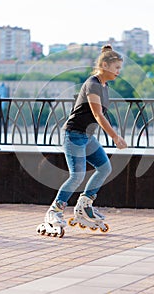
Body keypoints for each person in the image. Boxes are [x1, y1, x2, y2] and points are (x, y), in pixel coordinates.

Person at [44, 44, 127, 231]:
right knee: (77, 175)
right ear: (105, 65)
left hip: (87, 137)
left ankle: (84, 205)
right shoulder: (93, 84)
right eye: (117, 68)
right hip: (74, 134)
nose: (119, 72)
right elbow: (98, 115)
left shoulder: (104, 86)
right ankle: (54, 210)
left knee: (104, 167)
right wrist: (115, 137)